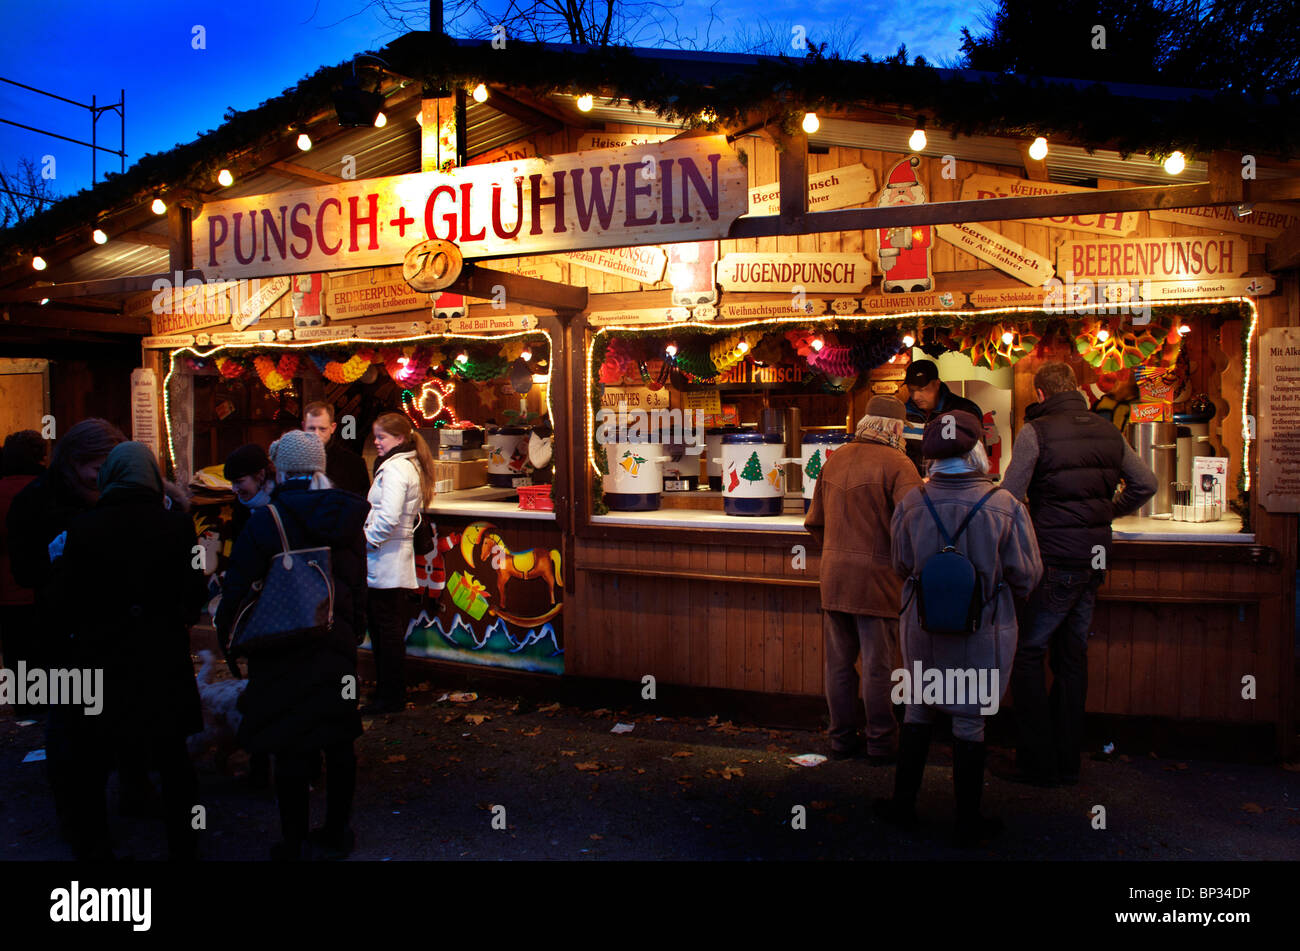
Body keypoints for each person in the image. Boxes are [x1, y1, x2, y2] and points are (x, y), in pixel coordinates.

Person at [878, 411, 1043, 846]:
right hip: (984, 631)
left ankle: (902, 806)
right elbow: (1027, 576)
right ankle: (968, 820)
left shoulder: (911, 502)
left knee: (917, 708)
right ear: (977, 455)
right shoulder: (1006, 506)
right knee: (970, 721)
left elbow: (900, 565)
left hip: (922, 627)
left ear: (931, 460)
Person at [1000, 361, 1157, 786]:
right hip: (1094, 560)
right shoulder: (1109, 430)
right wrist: (1108, 510)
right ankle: (1067, 758)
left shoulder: (1036, 432)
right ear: (1075, 389)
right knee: (1072, 656)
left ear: (1040, 394)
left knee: (1028, 653)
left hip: (1054, 558)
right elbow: (1146, 484)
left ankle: (1037, 760)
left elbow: (1010, 497)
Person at [214, 430, 369, 860]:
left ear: (279, 469)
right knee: (338, 739)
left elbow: (238, 590)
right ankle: (338, 832)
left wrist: (232, 645)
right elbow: (357, 583)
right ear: (319, 466)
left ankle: (294, 839)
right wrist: (351, 634)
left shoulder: (267, 520)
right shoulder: (346, 515)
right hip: (335, 643)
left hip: (280, 645)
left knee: (290, 743)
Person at [51, 442, 209, 860]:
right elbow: (195, 590)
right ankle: (185, 842)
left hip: (103, 659)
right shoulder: (177, 527)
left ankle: (93, 844)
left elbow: (67, 597)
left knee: (93, 759)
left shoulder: (84, 528)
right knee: (173, 759)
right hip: (161, 657)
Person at [805, 396, 923, 762]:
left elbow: (814, 522)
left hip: (835, 577)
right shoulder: (900, 465)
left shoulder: (836, 459)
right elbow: (914, 527)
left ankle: (840, 740)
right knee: (878, 666)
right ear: (896, 428)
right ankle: (881, 743)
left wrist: (837, 552)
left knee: (839, 665)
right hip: (878, 580)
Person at [363, 412, 437, 714]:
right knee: (387, 628)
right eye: (376, 437)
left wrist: (366, 540)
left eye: (381, 437)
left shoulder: (395, 470)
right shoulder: (405, 467)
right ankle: (388, 692)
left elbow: (389, 516)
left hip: (385, 560)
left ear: (400, 439)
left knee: (386, 631)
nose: (377, 443)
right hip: (392, 559)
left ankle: (389, 695)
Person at [0, 431, 47, 719]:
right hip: (45, 584)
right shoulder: (49, 488)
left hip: (7, 586)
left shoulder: (2, 490)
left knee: (16, 648)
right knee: (45, 645)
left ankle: (24, 703)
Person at [901, 359, 983, 475]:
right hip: (914, 486)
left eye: (921, 389)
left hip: (955, 486)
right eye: (911, 390)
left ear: (937, 384)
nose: (915, 396)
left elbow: (977, 455)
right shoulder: (902, 414)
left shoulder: (964, 411)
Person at [303, 402, 370, 497]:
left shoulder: (353, 464)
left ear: (332, 428)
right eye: (311, 428)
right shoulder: (290, 462)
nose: (316, 434)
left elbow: (361, 505)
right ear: (303, 427)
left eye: (322, 429)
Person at [223, 443, 275, 545]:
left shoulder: (281, 502)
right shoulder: (240, 506)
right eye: (232, 482)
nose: (234, 489)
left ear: (260, 475)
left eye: (239, 481)